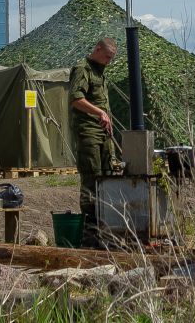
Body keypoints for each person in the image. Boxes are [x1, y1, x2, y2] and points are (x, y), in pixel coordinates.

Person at [68, 37, 121, 240]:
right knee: (92, 178)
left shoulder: (100, 71)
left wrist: (105, 117)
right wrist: (100, 113)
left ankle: (106, 226)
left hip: (103, 133)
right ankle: (90, 231)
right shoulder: (83, 69)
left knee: (107, 175)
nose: (108, 61)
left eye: (111, 58)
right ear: (97, 49)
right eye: (107, 56)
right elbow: (76, 99)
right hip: (88, 131)